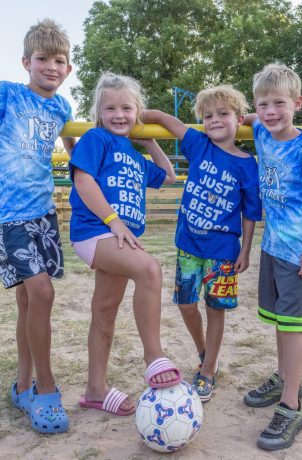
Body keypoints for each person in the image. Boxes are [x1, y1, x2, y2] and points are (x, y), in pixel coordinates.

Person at [69, 72, 181, 417]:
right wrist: (113, 221)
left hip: (116, 238)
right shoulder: (96, 139)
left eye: (127, 109)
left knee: (104, 311)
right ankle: (153, 356)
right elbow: (84, 180)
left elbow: (169, 176)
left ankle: (95, 390)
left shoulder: (134, 155)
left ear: (138, 113)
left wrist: (148, 139)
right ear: (99, 113)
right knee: (149, 268)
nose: (118, 115)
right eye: (110, 108)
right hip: (95, 232)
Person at [143, 85, 262, 402]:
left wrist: (246, 250)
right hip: (188, 245)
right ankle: (204, 351)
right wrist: (132, 114)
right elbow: (163, 118)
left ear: (238, 120)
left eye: (223, 114)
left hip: (223, 251)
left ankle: (207, 371)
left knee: (215, 309)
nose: (214, 120)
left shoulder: (248, 164)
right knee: (185, 304)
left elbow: (250, 213)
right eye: (207, 115)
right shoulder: (198, 144)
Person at [242, 63, 302, 451]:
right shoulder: (263, 132)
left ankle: (292, 404)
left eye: (279, 103)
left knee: (293, 327)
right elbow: (249, 118)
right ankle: (283, 376)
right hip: (272, 247)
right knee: (279, 322)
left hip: (300, 255)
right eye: (263, 104)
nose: (269, 112)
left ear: (297, 103)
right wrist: (247, 115)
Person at [1, 18, 75, 434]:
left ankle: (23, 385)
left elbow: (68, 142)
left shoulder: (61, 107)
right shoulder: (8, 95)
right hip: (9, 214)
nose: (51, 66)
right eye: (43, 58)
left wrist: (82, 160)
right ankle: (45, 390)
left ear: (67, 69)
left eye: (59, 60)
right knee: (42, 293)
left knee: (29, 302)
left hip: (43, 213)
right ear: (26, 61)